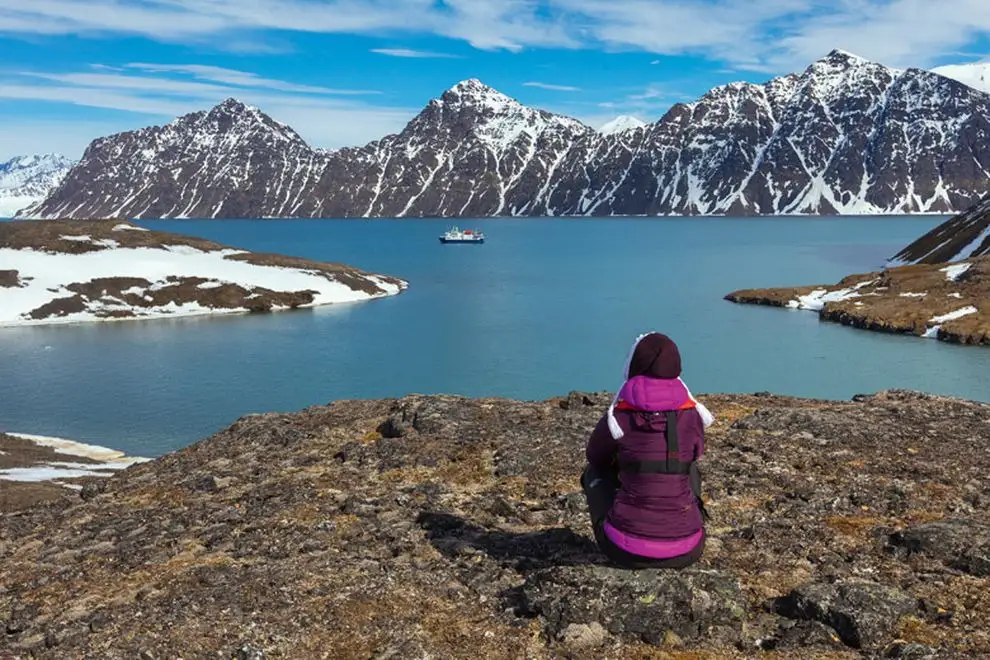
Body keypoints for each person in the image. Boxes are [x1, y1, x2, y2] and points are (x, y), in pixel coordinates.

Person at [581, 332, 714, 569]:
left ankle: (629, 527)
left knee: (594, 473)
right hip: (689, 549)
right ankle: (680, 523)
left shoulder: (619, 414)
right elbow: (695, 453)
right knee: (687, 468)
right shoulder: (692, 413)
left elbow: (595, 457)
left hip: (624, 551)